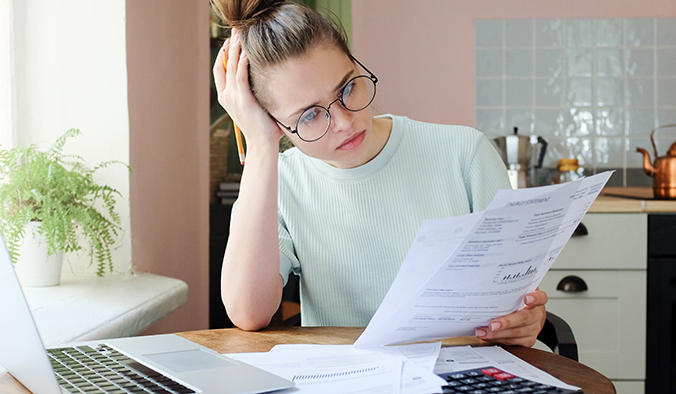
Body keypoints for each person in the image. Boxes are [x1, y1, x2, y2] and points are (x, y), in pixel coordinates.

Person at [212, 0, 547, 347]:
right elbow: (248, 313)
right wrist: (260, 144)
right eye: (310, 115)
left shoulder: (465, 153)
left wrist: (523, 320)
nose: (344, 122)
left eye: (347, 88)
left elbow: (514, 300)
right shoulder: (280, 182)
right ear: (275, 123)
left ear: (357, 65)